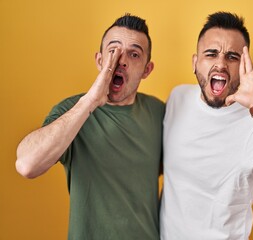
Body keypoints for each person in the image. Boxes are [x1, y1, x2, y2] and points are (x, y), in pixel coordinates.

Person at [160, 11, 253, 239]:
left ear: (243, 67)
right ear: (195, 62)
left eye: (232, 57)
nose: (220, 64)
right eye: (211, 54)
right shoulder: (177, 98)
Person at [16, 13, 164, 240]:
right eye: (114, 51)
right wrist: (91, 101)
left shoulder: (158, 112)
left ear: (147, 69)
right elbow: (27, 164)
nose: (121, 60)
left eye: (134, 54)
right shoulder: (72, 111)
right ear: (99, 60)